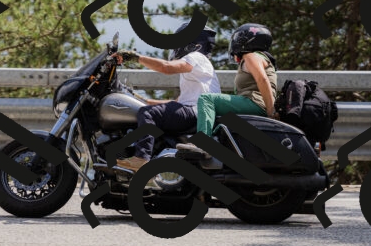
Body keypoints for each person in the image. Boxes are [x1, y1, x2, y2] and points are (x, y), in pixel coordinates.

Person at [112, 23, 222, 172]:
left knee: (147, 113)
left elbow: (167, 67)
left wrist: (136, 57)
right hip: (195, 112)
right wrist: (142, 100)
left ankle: (141, 158)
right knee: (147, 109)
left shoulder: (196, 57)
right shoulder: (200, 66)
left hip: (195, 112)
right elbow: (177, 102)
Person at [176, 23, 277, 156]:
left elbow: (262, 80)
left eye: (239, 38)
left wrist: (271, 111)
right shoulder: (259, 57)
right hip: (254, 102)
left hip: (255, 103)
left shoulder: (251, 56)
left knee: (207, 99)